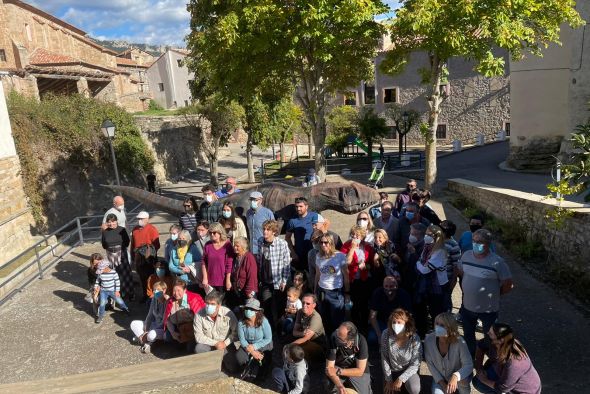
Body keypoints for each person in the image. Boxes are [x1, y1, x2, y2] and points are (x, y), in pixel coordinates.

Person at [457, 229, 513, 358]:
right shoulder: (465, 256)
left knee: (490, 338)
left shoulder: (497, 262)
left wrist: (496, 295)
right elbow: (461, 271)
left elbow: (508, 284)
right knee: (468, 334)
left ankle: (489, 359)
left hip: (489, 310)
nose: (476, 244)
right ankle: (470, 357)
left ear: (488, 244)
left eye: (480, 242)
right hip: (467, 307)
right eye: (474, 241)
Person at [474, 323, 541, 394]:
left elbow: (503, 388)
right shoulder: (499, 342)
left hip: (522, 391)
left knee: (480, 384)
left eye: (490, 333)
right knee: (477, 382)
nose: (487, 333)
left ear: (500, 340)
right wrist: (479, 368)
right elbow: (481, 345)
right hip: (501, 371)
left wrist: (483, 379)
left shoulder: (515, 362)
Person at [424, 312, 473, 394]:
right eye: (436, 323)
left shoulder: (460, 341)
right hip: (440, 378)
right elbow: (430, 364)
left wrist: (456, 376)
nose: (437, 327)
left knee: (463, 381)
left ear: (450, 327)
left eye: (442, 325)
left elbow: (468, 365)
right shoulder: (429, 339)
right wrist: (443, 384)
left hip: (459, 377)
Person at [414, 225, 449, 338]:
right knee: (423, 311)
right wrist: (421, 263)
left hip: (437, 287)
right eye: (426, 234)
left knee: (437, 314)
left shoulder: (439, 252)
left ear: (436, 237)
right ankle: (424, 335)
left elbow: (424, 269)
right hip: (425, 286)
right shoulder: (427, 247)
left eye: (429, 234)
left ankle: (440, 338)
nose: (426, 236)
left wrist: (418, 264)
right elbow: (422, 260)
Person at [341, 225, 375, 334]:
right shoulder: (346, 245)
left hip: (365, 279)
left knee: (365, 304)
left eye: (358, 235)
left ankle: (364, 327)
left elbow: (372, 264)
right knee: (354, 304)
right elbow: (346, 262)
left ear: (362, 236)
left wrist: (366, 266)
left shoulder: (368, 246)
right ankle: (354, 327)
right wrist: (352, 248)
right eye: (353, 235)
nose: (355, 237)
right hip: (352, 279)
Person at [194, 290, 239, 372]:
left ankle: (223, 362)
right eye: (207, 303)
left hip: (225, 345)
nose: (208, 306)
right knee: (199, 348)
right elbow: (198, 337)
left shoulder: (228, 313)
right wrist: (216, 343)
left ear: (219, 305)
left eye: (212, 304)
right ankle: (211, 365)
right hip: (209, 344)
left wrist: (225, 343)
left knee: (234, 368)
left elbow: (236, 332)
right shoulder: (199, 315)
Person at [257, 219, 291, 328]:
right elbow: (259, 259)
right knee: (266, 304)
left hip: (278, 281)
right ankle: (271, 328)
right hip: (265, 280)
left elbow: (286, 263)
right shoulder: (260, 241)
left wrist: (284, 281)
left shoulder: (282, 243)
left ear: (274, 232)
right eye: (264, 229)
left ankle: (281, 327)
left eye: (268, 230)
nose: (265, 232)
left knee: (280, 306)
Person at [314, 234, 350, 335]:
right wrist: (315, 289)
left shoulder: (340, 256)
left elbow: (346, 276)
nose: (323, 244)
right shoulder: (318, 256)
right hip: (322, 290)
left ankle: (338, 340)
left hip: (336, 291)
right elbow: (318, 274)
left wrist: (347, 293)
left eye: (326, 242)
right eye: (321, 242)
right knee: (325, 318)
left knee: (337, 320)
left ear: (331, 243)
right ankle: (328, 340)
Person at [380, 308, 421, 394]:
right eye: (394, 322)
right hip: (392, 370)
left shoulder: (414, 338)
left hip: (409, 371)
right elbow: (385, 359)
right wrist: (388, 380)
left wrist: (401, 379)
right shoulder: (386, 334)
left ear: (406, 323)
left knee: (414, 389)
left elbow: (415, 363)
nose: (396, 325)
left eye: (399, 322)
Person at [325, 321, 371, 394]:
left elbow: (360, 371)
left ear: (349, 341)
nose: (336, 335)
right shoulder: (333, 338)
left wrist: (338, 372)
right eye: (337, 331)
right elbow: (329, 368)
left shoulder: (361, 341)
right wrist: (339, 385)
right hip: (339, 367)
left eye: (339, 337)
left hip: (356, 370)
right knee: (329, 385)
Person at [368, 276, 412, 346]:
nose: (388, 288)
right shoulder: (377, 293)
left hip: (398, 323)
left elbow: (408, 316)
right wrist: (379, 336)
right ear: (383, 286)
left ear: (396, 286)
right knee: (372, 338)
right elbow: (373, 317)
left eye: (391, 286)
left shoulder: (403, 295)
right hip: (381, 322)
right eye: (386, 286)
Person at [236, 298, 274, 379]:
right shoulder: (240, 322)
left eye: (251, 309)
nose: (248, 310)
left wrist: (255, 346)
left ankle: (264, 368)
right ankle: (247, 367)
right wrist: (252, 351)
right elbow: (242, 340)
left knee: (264, 358)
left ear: (257, 311)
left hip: (262, 343)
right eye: (246, 308)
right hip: (247, 345)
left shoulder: (264, 321)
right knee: (240, 357)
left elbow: (268, 338)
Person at [163, 280, 205, 348]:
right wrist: (173, 332)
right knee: (167, 337)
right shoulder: (170, 302)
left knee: (190, 348)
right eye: (174, 290)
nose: (176, 293)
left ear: (185, 290)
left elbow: (201, 318)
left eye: (178, 290)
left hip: (193, 329)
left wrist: (189, 315)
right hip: (179, 329)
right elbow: (168, 320)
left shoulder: (194, 298)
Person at [130, 281, 169, 353]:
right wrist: (146, 330)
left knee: (151, 335)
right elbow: (150, 315)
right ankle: (143, 338)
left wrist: (148, 333)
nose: (155, 291)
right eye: (154, 289)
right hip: (154, 325)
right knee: (133, 323)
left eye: (157, 289)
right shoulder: (154, 299)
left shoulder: (167, 301)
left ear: (164, 290)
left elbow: (164, 321)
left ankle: (147, 342)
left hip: (162, 328)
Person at [101, 213, 133, 300]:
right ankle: (117, 294)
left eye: (113, 221)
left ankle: (129, 293)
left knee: (125, 275)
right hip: (110, 256)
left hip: (122, 254)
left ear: (116, 221)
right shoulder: (105, 232)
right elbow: (104, 245)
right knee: (115, 275)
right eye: (109, 222)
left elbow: (127, 242)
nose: (111, 223)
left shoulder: (122, 229)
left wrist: (119, 249)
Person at [131, 211, 160, 302]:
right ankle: (145, 295)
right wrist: (132, 255)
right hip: (138, 258)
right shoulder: (135, 229)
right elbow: (132, 244)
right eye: (138, 219)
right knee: (142, 277)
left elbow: (156, 245)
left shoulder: (152, 229)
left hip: (148, 258)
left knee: (150, 277)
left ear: (147, 219)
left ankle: (151, 295)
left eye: (141, 219)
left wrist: (148, 252)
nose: (139, 220)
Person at [291, 293, 327, 363]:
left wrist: (290, 346)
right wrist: (302, 333)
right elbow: (294, 332)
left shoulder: (316, 318)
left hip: (317, 344)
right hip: (306, 338)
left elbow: (306, 338)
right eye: (303, 302)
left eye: (308, 303)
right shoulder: (300, 312)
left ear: (314, 305)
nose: (304, 305)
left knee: (297, 350)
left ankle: (307, 367)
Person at [286, 197, 318, 271]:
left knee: (314, 275)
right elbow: (287, 238)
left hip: (313, 252)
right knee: (300, 277)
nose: (298, 209)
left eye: (301, 206)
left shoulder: (314, 216)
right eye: (296, 207)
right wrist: (293, 253)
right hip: (299, 254)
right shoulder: (292, 221)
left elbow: (321, 230)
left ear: (306, 206)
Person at [93, 259, 130, 324]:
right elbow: (98, 280)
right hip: (103, 291)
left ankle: (125, 309)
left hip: (113, 290)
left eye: (101, 269)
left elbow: (117, 282)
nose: (100, 271)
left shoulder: (113, 273)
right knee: (102, 303)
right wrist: (96, 286)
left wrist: (117, 291)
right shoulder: (100, 273)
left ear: (106, 267)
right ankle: (100, 316)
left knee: (119, 300)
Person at [201, 223, 234, 294]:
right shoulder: (208, 245)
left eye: (214, 232)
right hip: (210, 281)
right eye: (210, 233)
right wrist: (205, 278)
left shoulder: (227, 245)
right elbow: (204, 262)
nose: (212, 234)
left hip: (223, 281)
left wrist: (228, 280)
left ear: (220, 232)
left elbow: (229, 264)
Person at [227, 236, 258, 310]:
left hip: (247, 292)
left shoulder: (249, 257)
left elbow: (252, 276)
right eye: (234, 245)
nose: (235, 247)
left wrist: (249, 291)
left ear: (243, 247)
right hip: (238, 291)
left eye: (237, 246)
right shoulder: (236, 257)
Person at [245, 191, 275, 258]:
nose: (253, 202)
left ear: (261, 200)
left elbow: (274, 230)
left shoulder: (267, 213)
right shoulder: (248, 213)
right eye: (251, 200)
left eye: (255, 200)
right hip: (252, 249)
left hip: (264, 248)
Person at [440, 220, 461, 312]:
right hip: (435, 279)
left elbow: (456, 266)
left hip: (446, 281)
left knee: (445, 302)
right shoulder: (437, 241)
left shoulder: (453, 245)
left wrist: (453, 281)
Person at [400, 222, 427, 293]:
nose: (411, 236)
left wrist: (413, 253)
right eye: (411, 233)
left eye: (414, 234)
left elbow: (421, 264)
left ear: (421, 235)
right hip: (404, 271)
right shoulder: (407, 240)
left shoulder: (424, 247)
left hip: (414, 278)